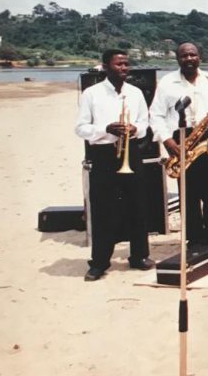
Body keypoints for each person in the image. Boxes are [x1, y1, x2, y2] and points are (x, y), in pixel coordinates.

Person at [75, 49, 153, 281]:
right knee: (103, 209)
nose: (124, 68)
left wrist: (135, 129)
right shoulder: (91, 93)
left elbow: (144, 123)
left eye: (126, 64)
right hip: (103, 155)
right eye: (119, 64)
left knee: (138, 206)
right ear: (106, 67)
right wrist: (105, 129)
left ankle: (139, 256)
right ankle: (99, 262)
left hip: (131, 154)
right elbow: (80, 128)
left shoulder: (136, 93)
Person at [150, 42, 208, 248]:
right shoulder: (167, 83)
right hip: (180, 138)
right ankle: (194, 238)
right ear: (178, 59)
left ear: (199, 57)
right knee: (189, 193)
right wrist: (168, 141)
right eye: (184, 56)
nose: (189, 59)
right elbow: (156, 116)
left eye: (192, 55)